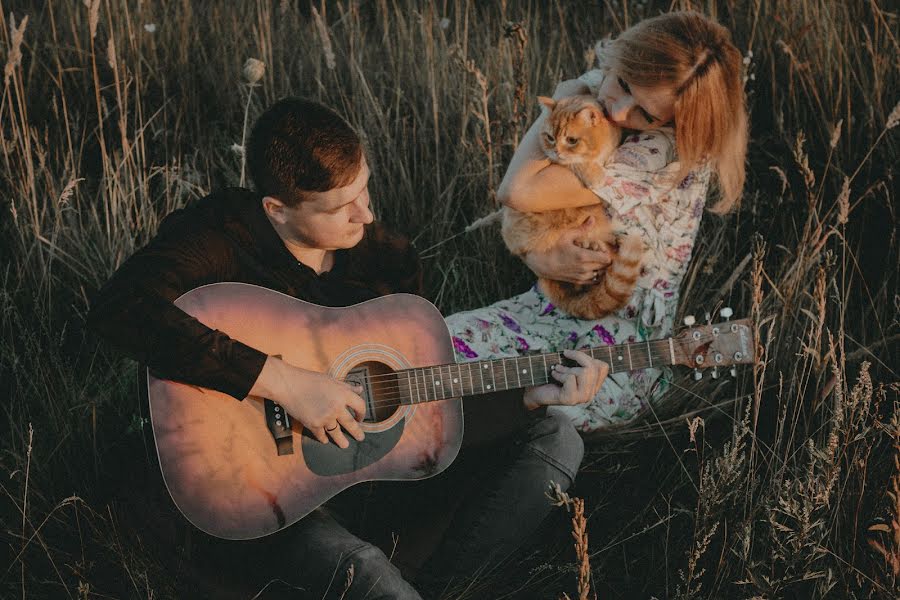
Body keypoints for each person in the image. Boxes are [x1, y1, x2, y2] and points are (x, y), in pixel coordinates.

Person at [86, 97, 609, 598]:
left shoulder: (385, 260)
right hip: (251, 487)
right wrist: (283, 382)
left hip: (366, 478)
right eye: (340, 206)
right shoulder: (220, 236)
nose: (365, 214)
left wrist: (522, 398)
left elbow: (412, 406)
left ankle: (444, 588)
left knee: (556, 436)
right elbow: (121, 309)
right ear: (278, 209)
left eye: (365, 189)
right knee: (367, 574)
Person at [446, 10, 749, 432]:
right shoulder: (607, 88)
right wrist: (539, 257)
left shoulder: (658, 155)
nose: (619, 112)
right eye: (623, 84)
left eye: (645, 114)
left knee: (533, 411)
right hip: (550, 306)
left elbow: (516, 192)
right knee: (437, 346)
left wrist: (566, 92)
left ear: (676, 124)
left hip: (622, 344)